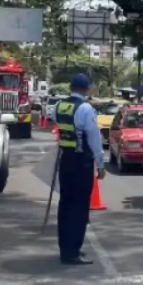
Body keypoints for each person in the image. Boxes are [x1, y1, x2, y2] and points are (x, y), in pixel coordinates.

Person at [54, 74, 105, 266]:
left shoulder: (59, 106)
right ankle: (73, 251)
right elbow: (94, 139)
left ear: (71, 86)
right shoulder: (85, 109)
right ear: (86, 89)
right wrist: (101, 164)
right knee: (79, 207)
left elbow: (58, 127)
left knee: (65, 204)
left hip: (65, 159)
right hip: (81, 162)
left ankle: (64, 247)